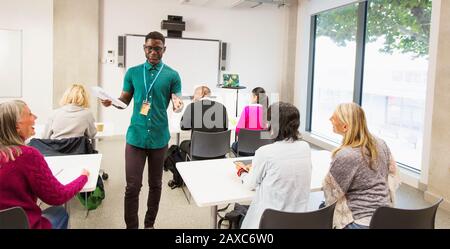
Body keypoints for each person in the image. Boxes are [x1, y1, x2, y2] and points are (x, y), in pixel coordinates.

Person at [101, 31, 183, 229]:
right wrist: (112, 102)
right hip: (136, 137)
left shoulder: (172, 75)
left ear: (164, 49)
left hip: (159, 138)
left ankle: (149, 225)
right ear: (144, 48)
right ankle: (132, 227)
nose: (153, 52)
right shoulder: (133, 73)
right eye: (149, 48)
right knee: (132, 187)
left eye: (158, 48)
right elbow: (124, 101)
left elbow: (176, 97)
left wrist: (177, 103)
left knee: (155, 185)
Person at [0, 100, 89, 229]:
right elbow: (57, 196)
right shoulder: (27, 155)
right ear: (17, 126)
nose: (35, 117)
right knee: (59, 211)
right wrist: (83, 178)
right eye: (29, 114)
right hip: (26, 225)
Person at [235, 102, 312, 229]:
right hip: (298, 219)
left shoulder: (265, 152)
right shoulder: (305, 147)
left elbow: (251, 184)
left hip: (269, 221)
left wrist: (242, 173)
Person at [322, 102, 399, 229]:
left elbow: (332, 193)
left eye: (334, 117)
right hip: (385, 216)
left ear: (345, 127)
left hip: (360, 222)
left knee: (321, 210)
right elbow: (393, 173)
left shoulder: (346, 155)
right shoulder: (381, 143)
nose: (330, 119)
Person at [179, 85, 228, 159]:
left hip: (198, 152)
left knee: (182, 144)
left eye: (194, 94)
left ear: (200, 95)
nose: (194, 97)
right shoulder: (222, 107)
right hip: (219, 151)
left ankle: (187, 168)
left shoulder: (192, 106)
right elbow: (225, 128)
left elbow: (184, 127)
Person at [232, 87, 268, 156]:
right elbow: (267, 133)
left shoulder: (247, 109)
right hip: (261, 149)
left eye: (251, 96)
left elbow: (238, 131)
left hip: (245, 149)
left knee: (233, 145)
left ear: (255, 97)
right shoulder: (267, 111)